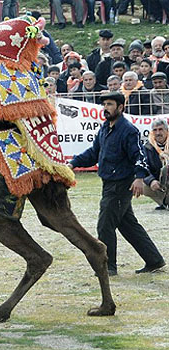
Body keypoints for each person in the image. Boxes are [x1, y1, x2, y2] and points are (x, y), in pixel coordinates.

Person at [68, 91, 165, 276]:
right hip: (108, 183)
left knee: (105, 225)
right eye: (104, 104)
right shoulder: (105, 128)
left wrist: (139, 178)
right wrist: (73, 163)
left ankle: (107, 267)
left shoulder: (129, 130)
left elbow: (139, 156)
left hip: (121, 185)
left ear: (121, 107)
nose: (106, 108)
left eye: (110, 104)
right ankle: (154, 260)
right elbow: (93, 152)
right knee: (127, 224)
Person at [142, 119, 169, 210]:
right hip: (160, 181)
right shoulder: (147, 147)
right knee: (143, 185)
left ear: (167, 130)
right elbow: (144, 167)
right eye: (155, 130)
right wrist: (151, 181)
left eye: (161, 129)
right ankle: (164, 202)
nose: (158, 133)